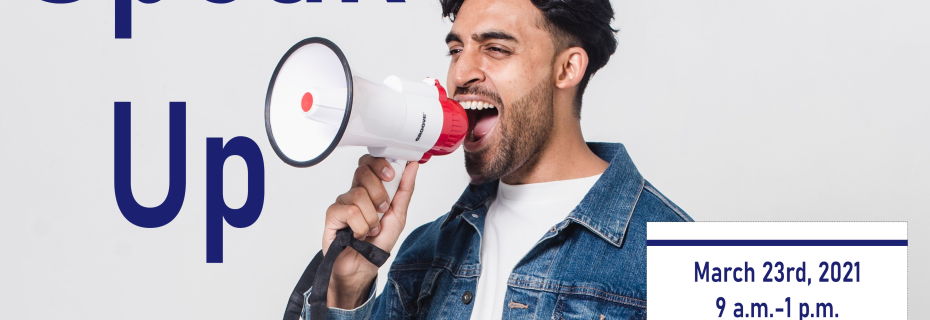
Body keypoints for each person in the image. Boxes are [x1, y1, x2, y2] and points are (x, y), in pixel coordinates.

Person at [307, 0, 692, 318]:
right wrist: (348, 285)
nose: (460, 72)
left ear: (567, 68)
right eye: (456, 50)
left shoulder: (678, 257)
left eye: (496, 48)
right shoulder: (422, 254)